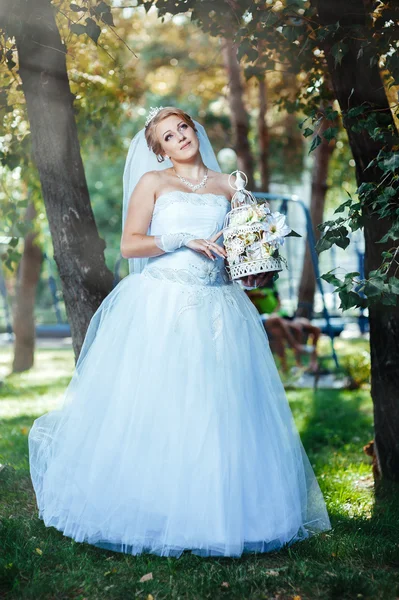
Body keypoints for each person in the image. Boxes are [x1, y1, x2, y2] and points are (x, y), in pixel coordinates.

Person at [28, 106, 331, 559]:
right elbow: (131, 243)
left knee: (220, 406)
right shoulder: (154, 184)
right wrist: (178, 239)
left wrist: (251, 268)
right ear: (159, 149)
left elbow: (243, 254)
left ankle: (220, 515)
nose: (179, 138)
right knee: (162, 405)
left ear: (194, 131)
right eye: (168, 136)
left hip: (218, 307)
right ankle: (151, 508)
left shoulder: (231, 184)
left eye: (183, 128)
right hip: (161, 304)